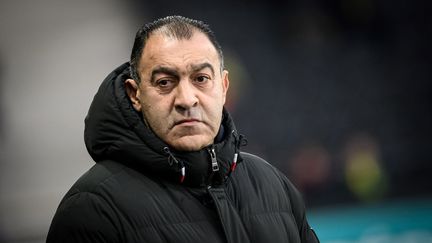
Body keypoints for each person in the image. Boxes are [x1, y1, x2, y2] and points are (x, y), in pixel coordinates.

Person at [46, 15, 320, 243]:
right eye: (165, 82)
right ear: (135, 94)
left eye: (201, 78)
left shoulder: (274, 185)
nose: (186, 99)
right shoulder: (91, 209)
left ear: (223, 88)